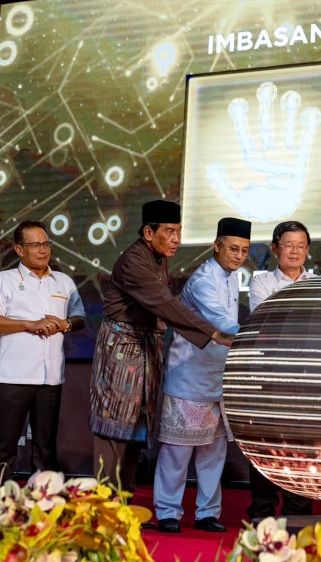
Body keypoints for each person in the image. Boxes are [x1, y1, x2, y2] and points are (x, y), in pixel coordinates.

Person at [89, 199, 232, 492]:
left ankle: (123, 509)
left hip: (145, 349)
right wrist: (212, 334)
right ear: (148, 232)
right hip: (122, 350)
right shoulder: (134, 261)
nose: (176, 239)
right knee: (114, 429)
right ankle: (102, 510)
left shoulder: (157, 257)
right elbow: (163, 302)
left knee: (134, 432)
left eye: (179, 231)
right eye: (169, 231)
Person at [153, 217, 251, 534]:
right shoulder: (203, 280)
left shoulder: (232, 277)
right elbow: (221, 323)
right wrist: (258, 334)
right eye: (233, 249)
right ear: (216, 246)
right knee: (177, 453)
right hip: (188, 377)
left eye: (245, 251)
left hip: (217, 378)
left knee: (213, 453)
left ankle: (207, 512)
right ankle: (167, 512)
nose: (238, 256)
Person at [0, 220, 86, 479]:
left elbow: (79, 316)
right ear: (19, 250)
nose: (43, 250)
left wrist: (65, 324)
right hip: (15, 375)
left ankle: (44, 501)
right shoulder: (4, 280)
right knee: (5, 444)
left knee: (45, 446)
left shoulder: (63, 281)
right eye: (35, 245)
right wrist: (29, 324)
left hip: (51, 378)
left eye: (46, 244)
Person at [245, 221, 316, 521]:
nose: (295, 251)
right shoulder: (261, 283)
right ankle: (262, 509)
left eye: (301, 246)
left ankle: (298, 511)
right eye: (289, 245)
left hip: (309, 378)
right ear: (275, 249)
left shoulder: (318, 283)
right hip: (270, 377)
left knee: (303, 445)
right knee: (265, 441)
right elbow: (265, 323)